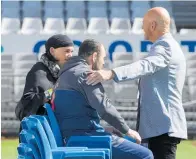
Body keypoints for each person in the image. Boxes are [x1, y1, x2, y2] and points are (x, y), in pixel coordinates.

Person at [86, 7, 187, 159]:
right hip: (159, 128)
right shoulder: (166, 46)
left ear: (152, 25)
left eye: (144, 23)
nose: (141, 27)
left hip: (163, 128)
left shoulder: (165, 46)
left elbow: (145, 65)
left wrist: (111, 73)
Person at [52, 39, 153, 159]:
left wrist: (106, 128)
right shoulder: (86, 75)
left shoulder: (64, 75)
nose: (104, 63)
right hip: (86, 138)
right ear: (94, 56)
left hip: (73, 135)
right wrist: (127, 130)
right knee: (146, 154)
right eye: (103, 58)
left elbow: (75, 115)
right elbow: (105, 108)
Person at [15, 34, 74, 121]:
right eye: (67, 51)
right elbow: (28, 102)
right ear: (52, 51)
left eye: (72, 52)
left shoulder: (61, 72)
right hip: (39, 131)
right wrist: (52, 92)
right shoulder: (38, 72)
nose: (70, 55)